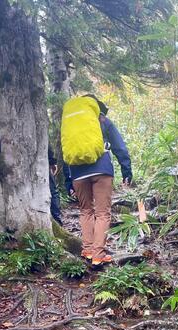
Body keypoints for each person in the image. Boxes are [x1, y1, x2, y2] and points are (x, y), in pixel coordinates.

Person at [65, 94, 132, 267]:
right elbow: (119, 146)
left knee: (85, 211)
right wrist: (126, 170)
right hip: (101, 169)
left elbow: (66, 152)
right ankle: (98, 255)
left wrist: (68, 180)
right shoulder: (103, 121)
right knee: (102, 213)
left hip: (77, 173)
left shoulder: (71, 126)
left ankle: (87, 250)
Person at [47, 145, 62, 225]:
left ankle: (57, 220)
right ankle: (57, 220)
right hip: (44, 162)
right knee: (53, 191)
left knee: (53, 191)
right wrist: (52, 161)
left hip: (44, 162)